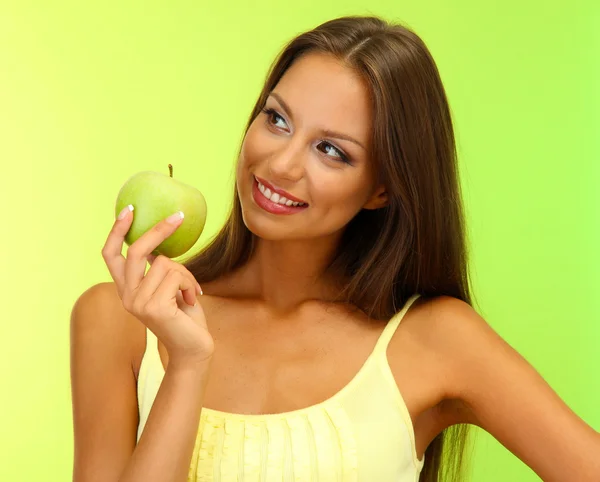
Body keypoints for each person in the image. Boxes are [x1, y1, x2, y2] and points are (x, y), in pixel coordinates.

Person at [70, 14, 600, 482]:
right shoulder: (119, 323)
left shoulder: (434, 340)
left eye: (331, 150)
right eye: (277, 119)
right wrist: (187, 363)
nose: (281, 164)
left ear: (382, 188)